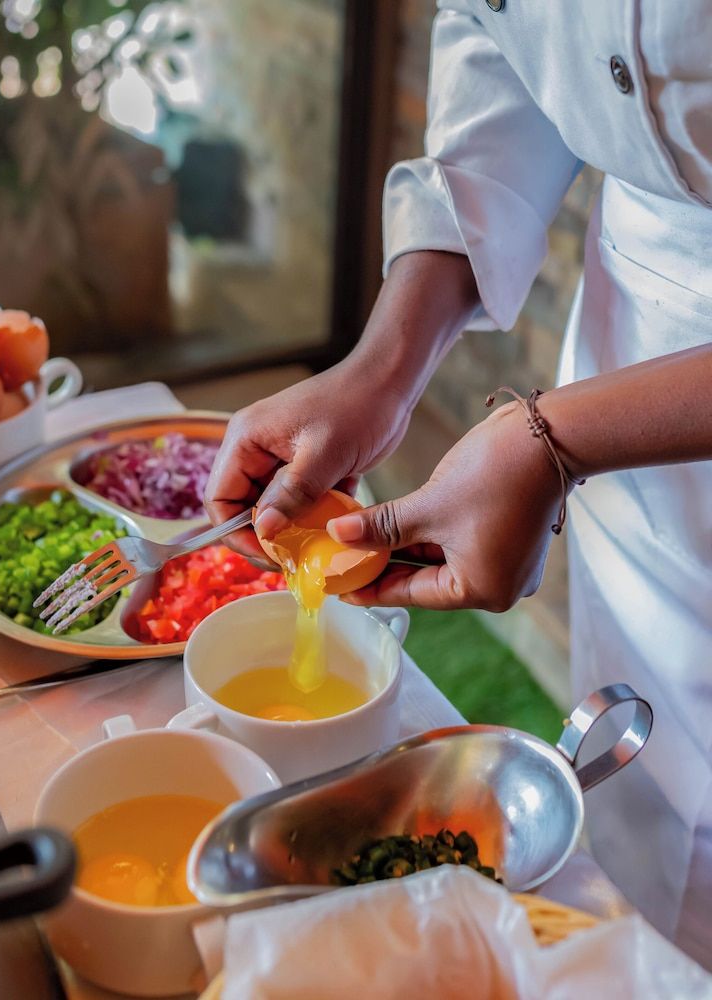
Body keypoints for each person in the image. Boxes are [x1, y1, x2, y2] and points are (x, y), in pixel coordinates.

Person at [204, 0, 712, 969]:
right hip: (630, 365)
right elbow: (498, 32)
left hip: (600, 420)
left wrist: (551, 441)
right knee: (644, 889)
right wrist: (383, 364)